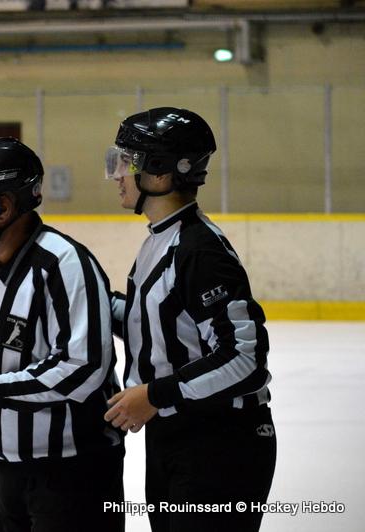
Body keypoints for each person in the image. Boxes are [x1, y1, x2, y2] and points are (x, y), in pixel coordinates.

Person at [0, 137, 125, 532]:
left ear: (3, 208)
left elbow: (82, 367)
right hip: (3, 467)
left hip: (73, 472)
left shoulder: (63, 264)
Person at [101, 108, 276, 532]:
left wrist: (155, 394)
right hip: (178, 436)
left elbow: (245, 359)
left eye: (127, 163)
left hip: (220, 444)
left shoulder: (198, 250)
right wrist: (87, 299)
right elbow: (153, 325)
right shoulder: (162, 239)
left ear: (160, 173)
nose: (117, 175)